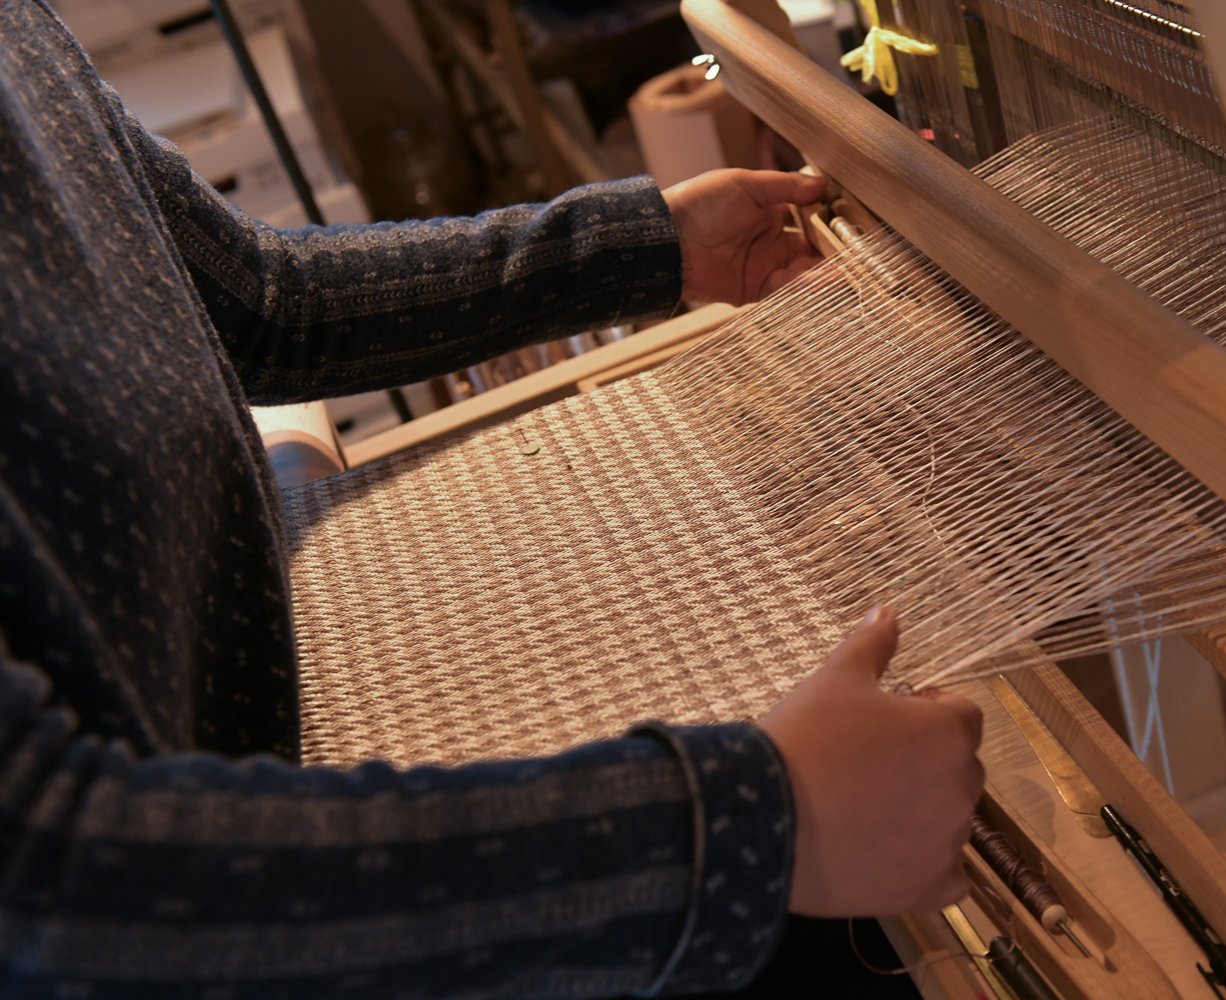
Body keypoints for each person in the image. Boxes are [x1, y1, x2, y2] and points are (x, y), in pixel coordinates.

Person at [0, 2, 984, 996]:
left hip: (250, 750)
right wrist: (743, 824)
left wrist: (644, 246)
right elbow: (49, 888)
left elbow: (257, 302)